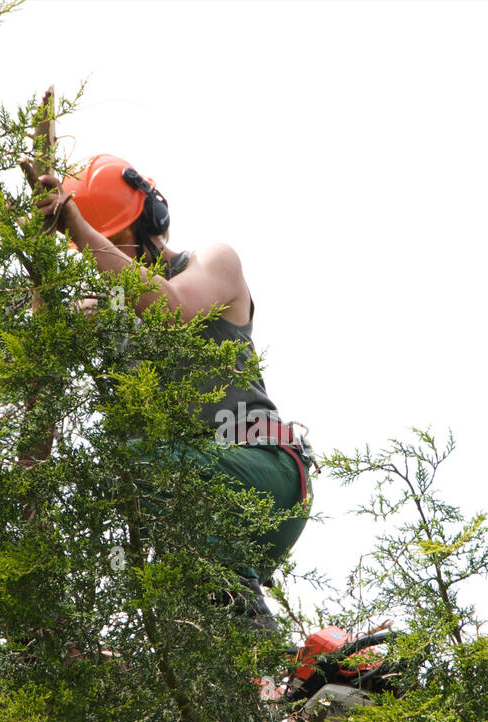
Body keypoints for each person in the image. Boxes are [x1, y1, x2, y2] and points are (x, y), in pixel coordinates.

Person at [32, 154, 312, 633]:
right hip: (195, 495)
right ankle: (262, 683)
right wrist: (35, 249)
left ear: (148, 224)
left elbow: (174, 307)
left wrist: (78, 228)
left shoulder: (214, 263)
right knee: (190, 601)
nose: (106, 260)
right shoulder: (107, 313)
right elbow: (29, 358)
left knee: (142, 461)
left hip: (266, 472)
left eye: (112, 241)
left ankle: (257, 657)